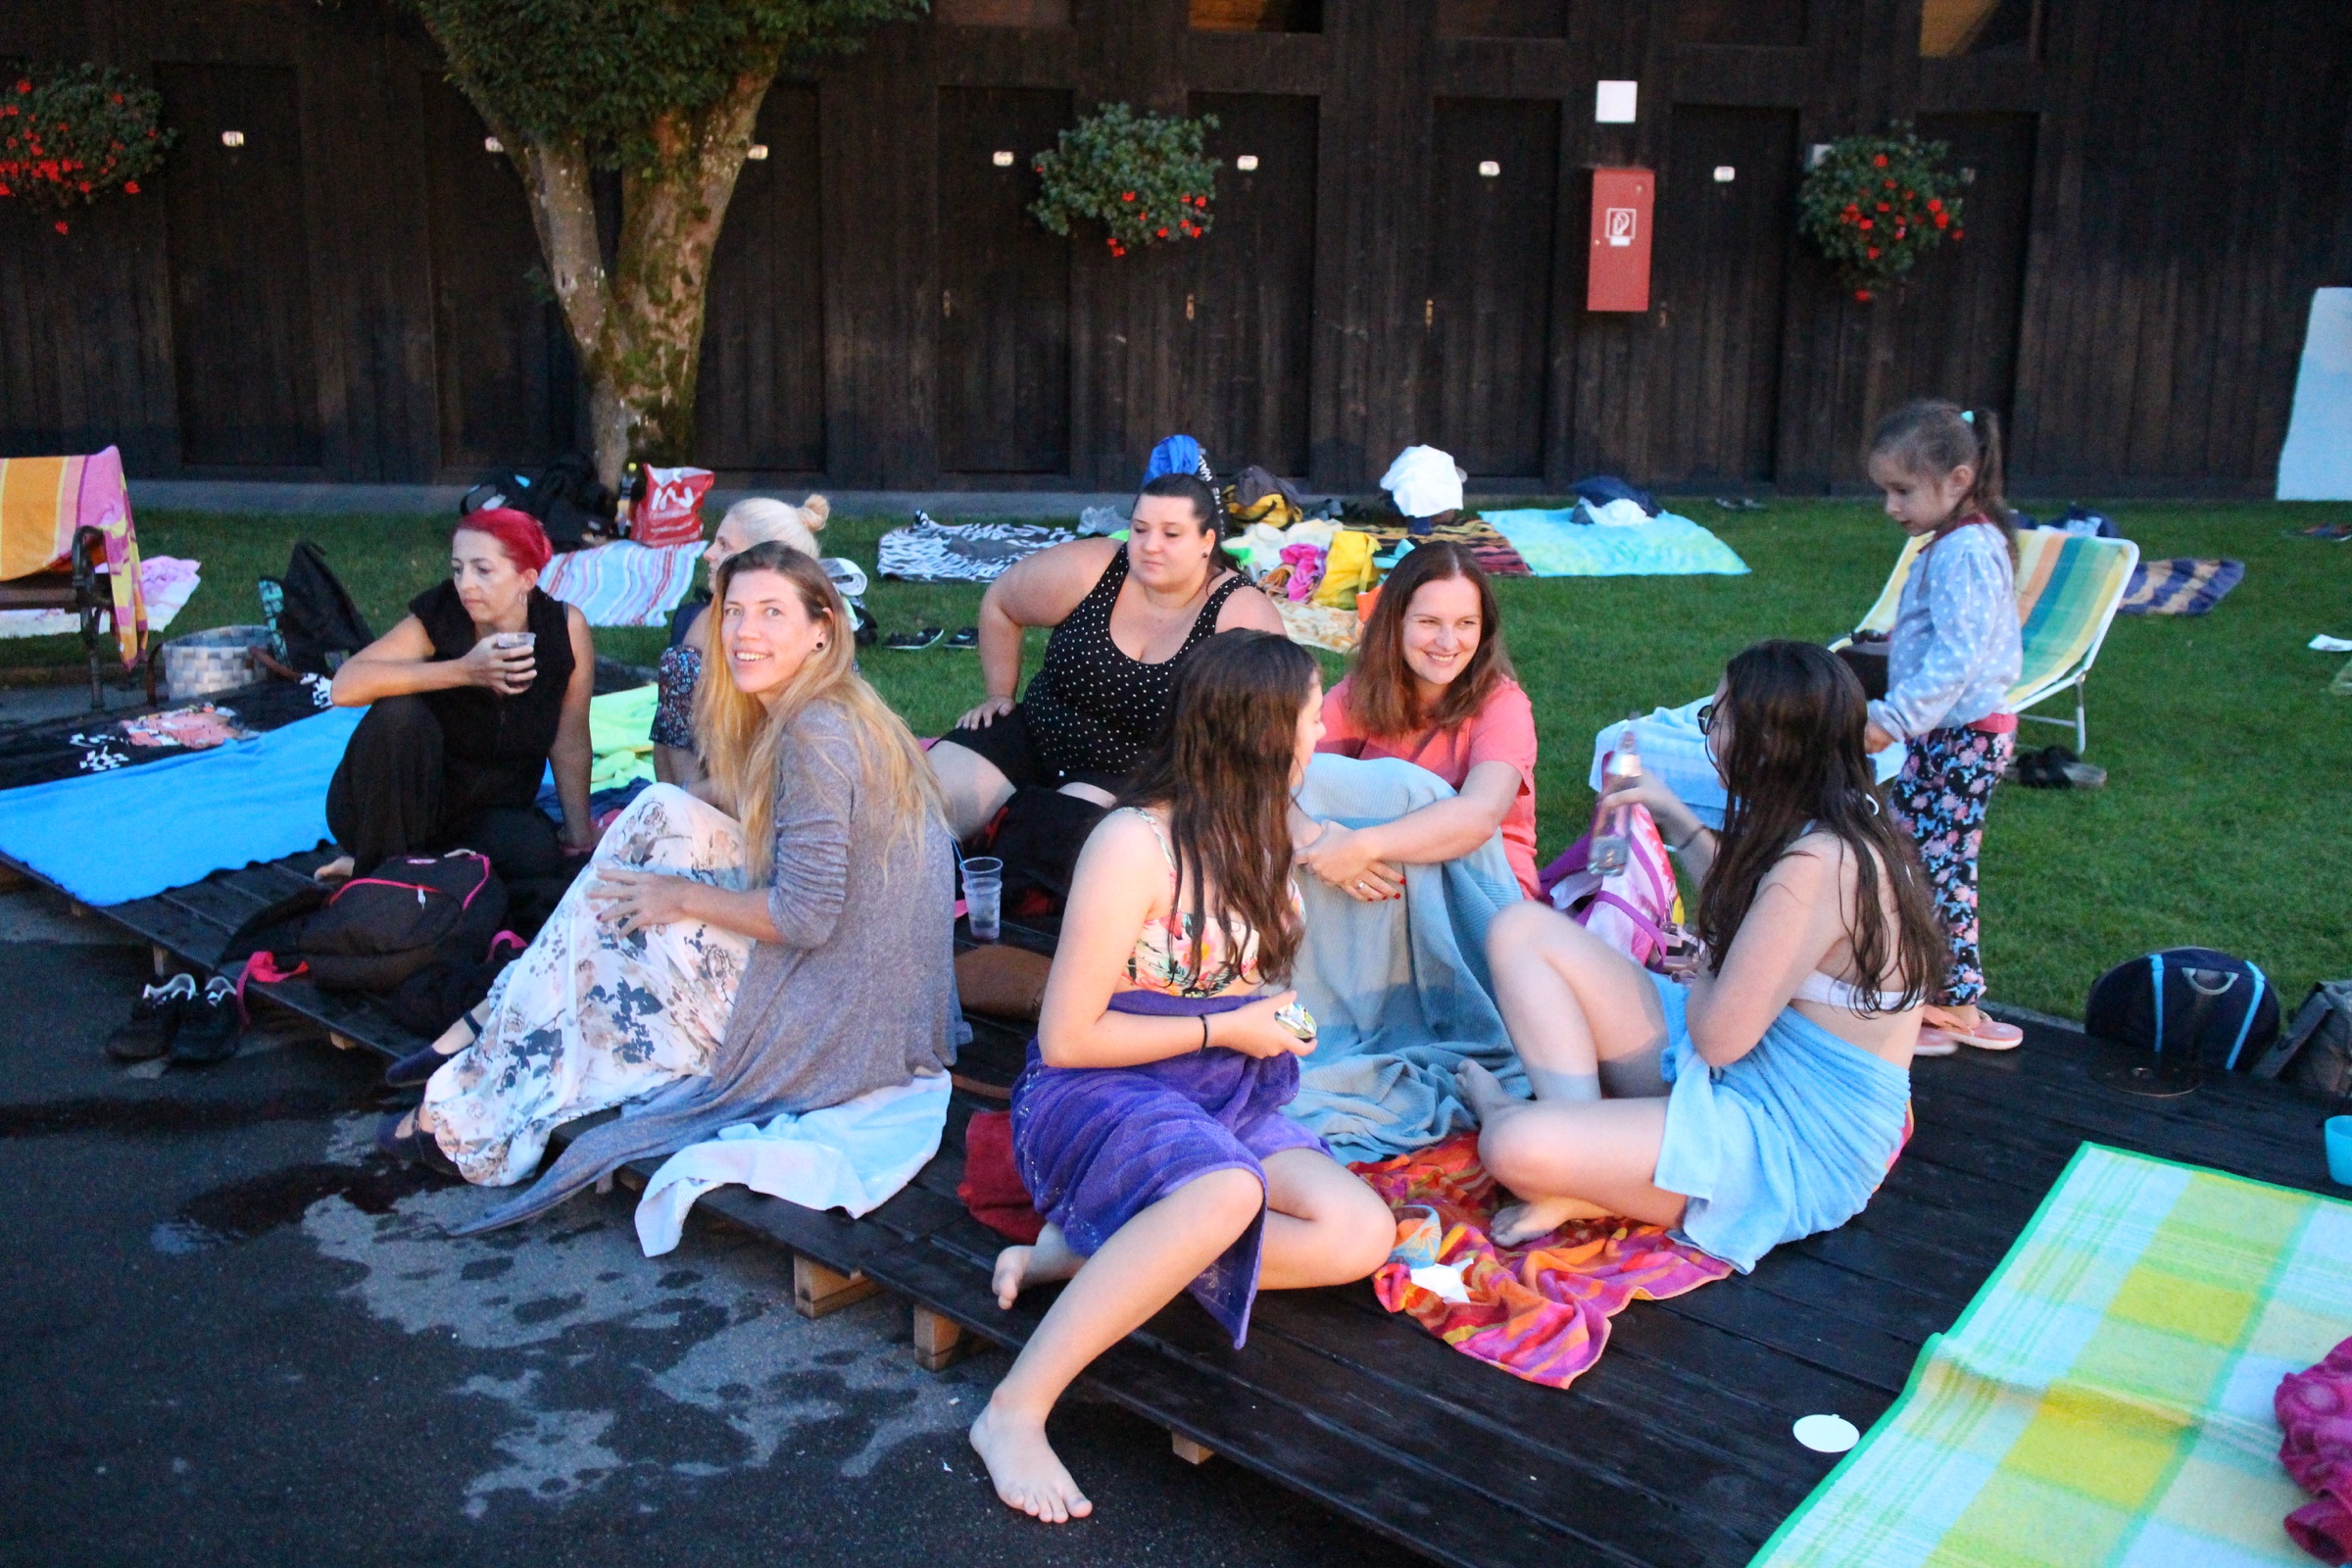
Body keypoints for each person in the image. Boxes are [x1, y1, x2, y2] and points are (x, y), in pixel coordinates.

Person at [375, 543, 960, 1235]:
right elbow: (752, 802)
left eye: (772, 613)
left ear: (822, 629)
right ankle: (498, 1022)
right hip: (876, 993)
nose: (745, 632)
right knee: (657, 821)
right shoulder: (827, 708)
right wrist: (673, 820)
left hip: (836, 1018)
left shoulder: (817, 735)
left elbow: (805, 918)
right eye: (734, 611)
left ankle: (475, 1097)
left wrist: (675, 898)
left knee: (625, 925)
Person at [972, 631, 1395, 1524]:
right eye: (1310, 716)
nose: (1322, 731)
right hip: (1100, 1093)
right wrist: (1227, 1026)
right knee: (1228, 1192)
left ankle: (1092, 1253)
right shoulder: (1134, 845)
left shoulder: (1263, 828)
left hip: (1221, 1091)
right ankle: (1015, 1408)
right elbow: (1068, 1039)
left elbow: (1249, 982)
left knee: (1361, 1232)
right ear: (1258, 733)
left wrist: (1278, 1024)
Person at [1459, 640, 1944, 1272]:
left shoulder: (1818, 866)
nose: (1709, 735)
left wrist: (1711, 949)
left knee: (1511, 1143)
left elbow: (1717, 1039)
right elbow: (1758, 914)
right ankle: (1583, 1154)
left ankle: (1563, 1159)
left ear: (1764, 745)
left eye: (1716, 718)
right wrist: (1670, 814)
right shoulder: (1838, 819)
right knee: (1521, 929)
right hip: (1746, 1077)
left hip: (1787, 1140)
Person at [929, 473, 1286, 905]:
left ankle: (976, 919)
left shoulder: (1237, 614)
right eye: (1140, 529)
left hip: (1128, 775)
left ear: (1206, 541)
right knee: (913, 809)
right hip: (1036, 734)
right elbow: (1002, 602)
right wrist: (1000, 695)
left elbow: (1276, 724)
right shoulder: (1095, 567)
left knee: (1043, 849)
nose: (1150, 545)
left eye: (1171, 534)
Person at [1861, 400, 2026, 1054]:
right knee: (1911, 851)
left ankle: (1951, 1003)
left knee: (1937, 863)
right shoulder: (1954, 545)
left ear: (1958, 480)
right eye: (1885, 491)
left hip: (1963, 738)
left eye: (1902, 490)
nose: (1890, 507)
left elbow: (1958, 659)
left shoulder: (1967, 552)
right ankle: (1937, 993)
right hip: (1946, 736)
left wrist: (1892, 719)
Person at [325, 509, 595, 889]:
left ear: (526, 578)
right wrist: (464, 671)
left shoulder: (563, 630)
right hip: (395, 804)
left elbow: (570, 740)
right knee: (399, 713)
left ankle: (420, 867)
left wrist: (579, 836)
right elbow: (344, 686)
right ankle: (382, 873)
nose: (465, 584)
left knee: (536, 853)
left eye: (482, 570)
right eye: (458, 568)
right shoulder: (443, 615)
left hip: (484, 813)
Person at [1298, 542, 1540, 900]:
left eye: (1466, 623)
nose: (1447, 642)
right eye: (1429, 622)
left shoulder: (1503, 705)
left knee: (1416, 791)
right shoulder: (1361, 693)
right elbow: (1280, 779)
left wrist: (1363, 846)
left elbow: (1479, 815)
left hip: (1485, 889)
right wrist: (1318, 842)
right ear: (1394, 622)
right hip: (1382, 881)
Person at [652, 495, 830, 786]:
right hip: (703, 784)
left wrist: (698, 796)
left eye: (724, 545)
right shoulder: (701, 623)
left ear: (761, 559)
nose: (708, 553)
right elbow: (668, 736)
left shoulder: (815, 644)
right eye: (734, 611)